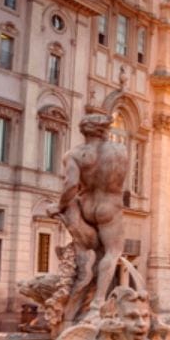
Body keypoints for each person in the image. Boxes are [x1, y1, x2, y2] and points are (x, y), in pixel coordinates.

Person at [48, 105, 129, 322]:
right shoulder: (119, 151)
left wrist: (59, 205)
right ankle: (97, 303)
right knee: (112, 253)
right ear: (104, 130)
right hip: (109, 206)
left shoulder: (74, 154)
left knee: (88, 252)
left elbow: (71, 185)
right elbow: (120, 180)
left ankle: (77, 297)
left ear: (84, 132)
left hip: (85, 205)